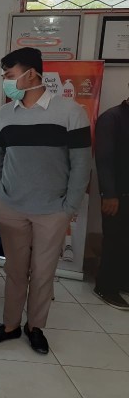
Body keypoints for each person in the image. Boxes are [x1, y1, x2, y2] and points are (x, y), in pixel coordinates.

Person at [0, 47, 91, 354]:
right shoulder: (5, 114)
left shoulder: (70, 112)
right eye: (4, 76)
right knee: (15, 270)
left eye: (10, 75)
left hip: (52, 210)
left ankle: (35, 327)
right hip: (13, 207)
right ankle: (11, 325)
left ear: (32, 74)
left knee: (43, 273)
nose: (6, 81)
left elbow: (82, 164)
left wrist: (69, 207)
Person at [92, 93, 129, 310]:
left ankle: (123, 281)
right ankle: (105, 286)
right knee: (114, 240)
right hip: (117, 195)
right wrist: (109, 193)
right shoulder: (112, 118)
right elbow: (104, 159)